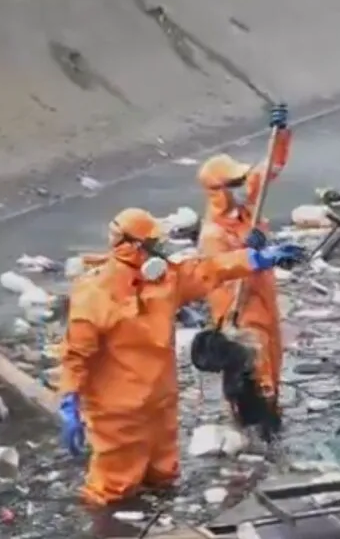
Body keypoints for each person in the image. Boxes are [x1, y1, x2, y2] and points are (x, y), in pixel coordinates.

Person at [58, 206, 304, 506]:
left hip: (160, 401)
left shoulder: (164, 282)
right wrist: (70, 400)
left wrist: (255, 259)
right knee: (113, 489)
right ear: (132, 246)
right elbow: (75, 355)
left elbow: (208, 270)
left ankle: (159, 529)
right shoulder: (95, 295)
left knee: (164, 476)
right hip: (118, 411)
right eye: (154, 244)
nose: (161, 251)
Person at [195, 105, 293, 422]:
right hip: (240, 311)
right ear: (218, 191)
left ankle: (273, 410)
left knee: (273, 360)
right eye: (233, 184)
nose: (242, 188)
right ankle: (252, 421)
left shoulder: (246, 213)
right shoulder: (214, 233)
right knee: (251, 370)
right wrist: (249, 257)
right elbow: (220, 273)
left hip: (264, 302)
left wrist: (280, 134)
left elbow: (267, 173)